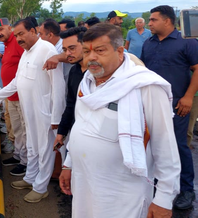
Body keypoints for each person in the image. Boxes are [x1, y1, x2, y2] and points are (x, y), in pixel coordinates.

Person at [60, 22, 181, 218]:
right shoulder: (87, 81)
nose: (91, 57)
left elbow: (165, 146)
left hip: (123, 193)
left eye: (100, 50)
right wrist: (68, 164)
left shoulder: (145, 87)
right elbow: (80, 126)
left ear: (119, 51)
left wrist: (164, 199)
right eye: (87, 51)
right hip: (84, 184)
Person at [0, 16, 65, 203]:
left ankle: (41, 187)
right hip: (29, 109)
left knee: (45, 148)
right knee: (32, 146)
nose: (18, 38)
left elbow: (58, 86)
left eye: (22, 34)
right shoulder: (26, 52)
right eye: (16, 34)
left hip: (45, 111)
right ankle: (30, 178)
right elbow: (17, 81)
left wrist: (56, 118)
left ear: (33, 31)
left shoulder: (46, 49)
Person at [141, 5, 198, 209]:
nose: (149, 23)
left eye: (153, 20)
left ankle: (186, 190)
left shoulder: (186, 43)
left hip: (178, 105)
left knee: (178, 145)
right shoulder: (149, 43)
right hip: (152, 105)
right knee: (155, 145)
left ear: (167, 21)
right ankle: (160, 185)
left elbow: (197, 69)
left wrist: (189, 97)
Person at [0, 18, 27, 176]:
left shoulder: (18, 44)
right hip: (11, 96)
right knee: (17, 129)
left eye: (1, 30)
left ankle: (25, 163)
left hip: (21, 97)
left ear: (9, 28)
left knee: (25, 131)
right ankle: (18, 156)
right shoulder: (7, 45)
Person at [54, 27, 87, 149]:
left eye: (72, 48)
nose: (67, 53)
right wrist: (61, 132)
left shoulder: (98, 74)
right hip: (75, 132)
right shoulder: (74, 71)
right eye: (64, 50)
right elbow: (71, 103)